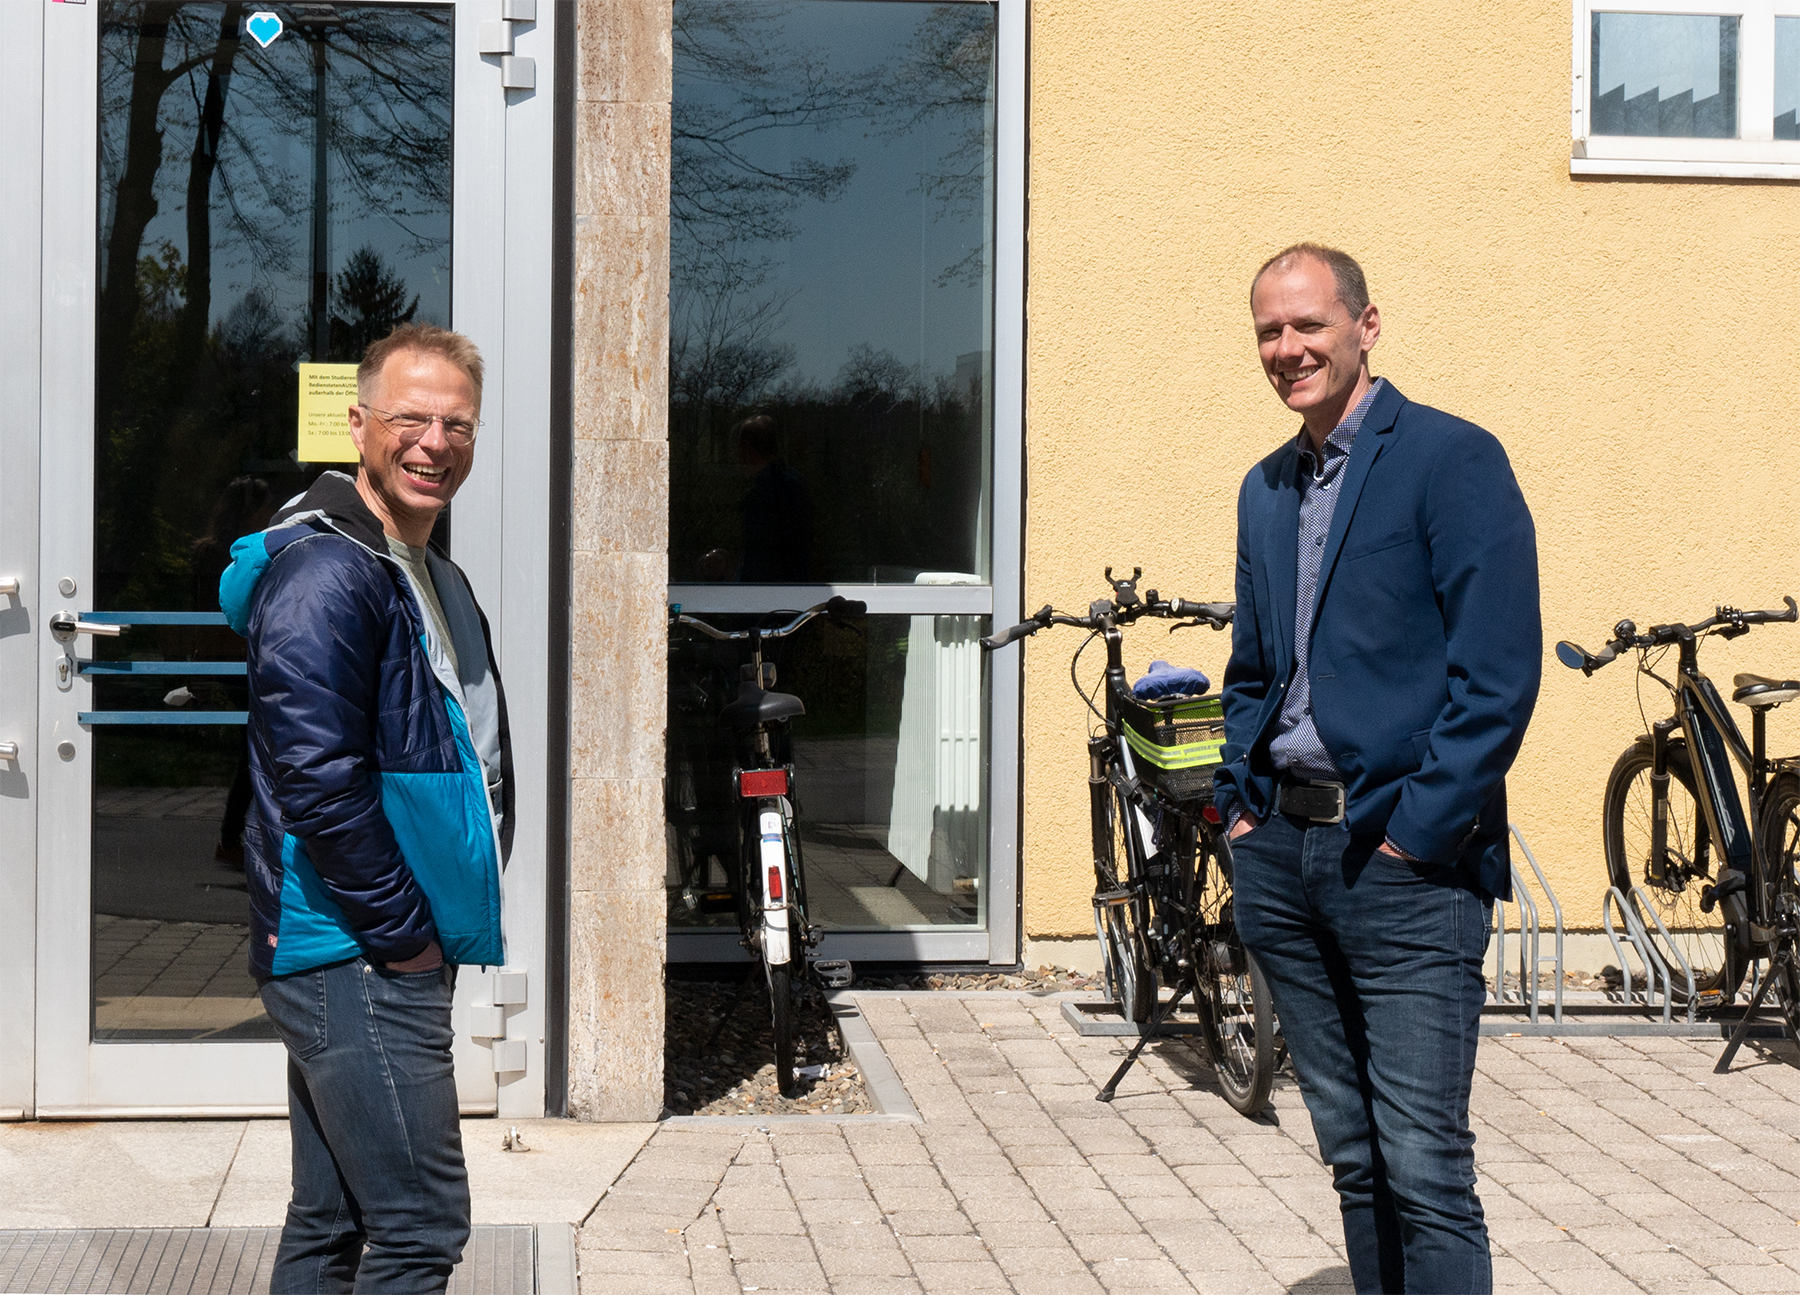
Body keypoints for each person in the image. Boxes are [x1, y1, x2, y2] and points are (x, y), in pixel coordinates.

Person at [1213, 244, 1540, 1293]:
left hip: (1402, 864)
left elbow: (1496, 676)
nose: (1288, 348)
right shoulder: (1267, 489)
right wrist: (1240, 806)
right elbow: (1254, 668)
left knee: (1425, 1166)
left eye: (1308, 324)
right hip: (1285, 855)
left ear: (1366, 325)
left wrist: (1417, 833)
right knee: (1353, 1155)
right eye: (1269, 329)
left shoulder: (1451, 459)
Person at [220, 323, 513, 1293]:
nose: (435, 443)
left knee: (332, 1214)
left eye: (457, 424)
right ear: (358, 426)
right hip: (357, 944)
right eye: (411, 419)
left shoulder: (423, 567)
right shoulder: (329, 573)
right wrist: (403, 935)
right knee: (422, 1225)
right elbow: (317, 776)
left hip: (377, 942)